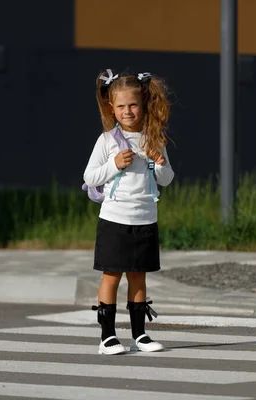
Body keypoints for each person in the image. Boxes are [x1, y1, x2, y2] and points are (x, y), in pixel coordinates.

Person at [83, 69, 175, 355]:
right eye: (121, 106)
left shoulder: (152, 138)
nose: (127, 111)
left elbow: (167, 178)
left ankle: (140, 335)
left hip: (145, 218)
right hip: (114, 219)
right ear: (112, 107)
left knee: (138, 277)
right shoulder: (108, 140)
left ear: (144, 103)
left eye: (133, 105)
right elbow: (89, 177)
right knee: (112, 276)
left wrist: (159, 164)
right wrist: (114, 165)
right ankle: (107, 336)